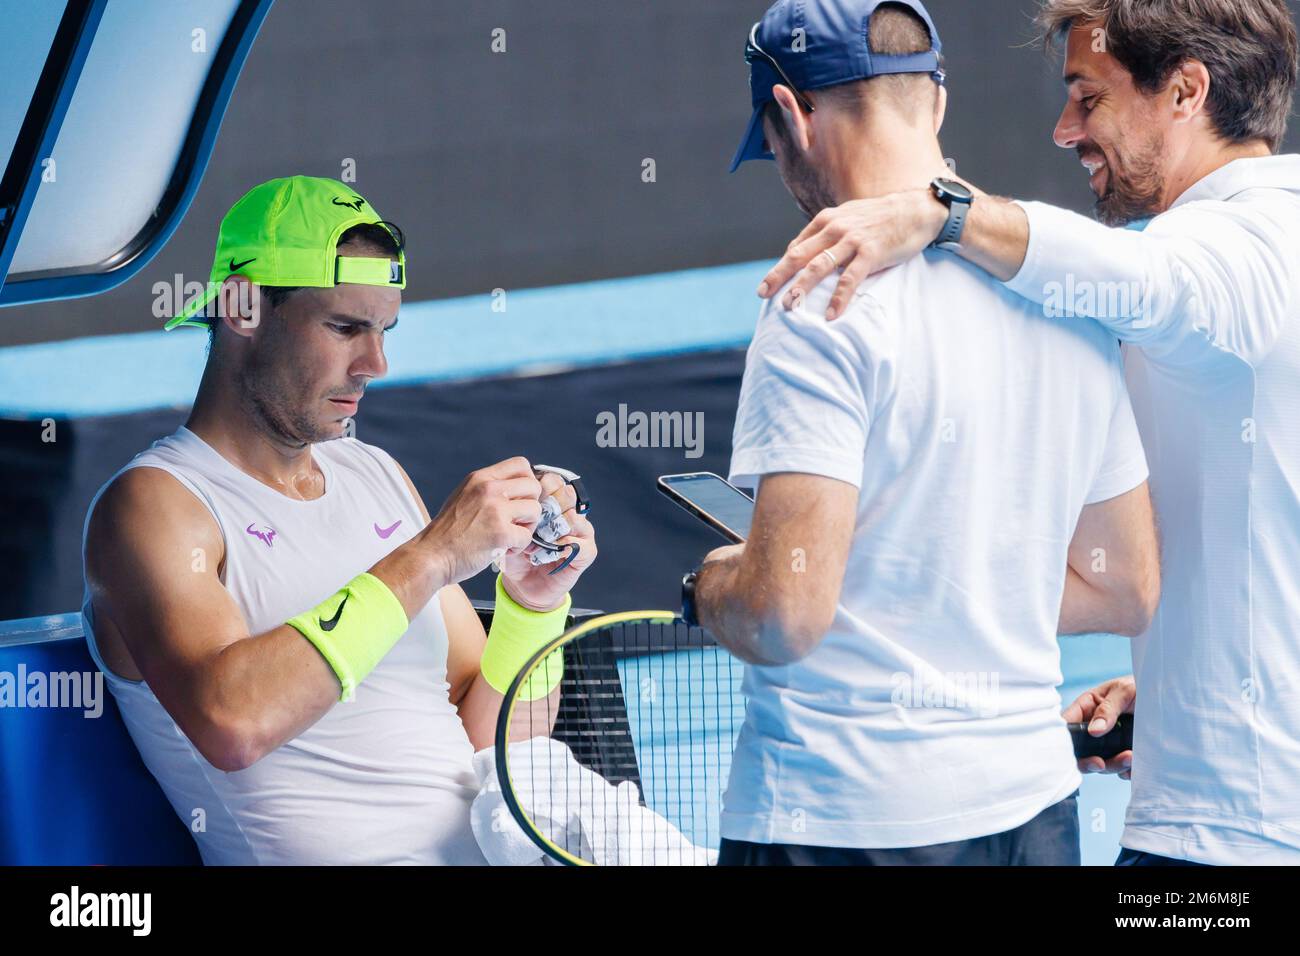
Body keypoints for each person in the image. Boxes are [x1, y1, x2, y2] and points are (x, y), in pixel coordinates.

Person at [759, 0, 1300, 865]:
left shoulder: (1235, 256)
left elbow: (1132, 277)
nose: (1062, 130)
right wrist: (1181, 693)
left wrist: (939, 210)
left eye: (1089, 98)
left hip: (1229, 850)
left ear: (1186, 92)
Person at [688, 0, 1159, 865]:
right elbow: (1124, 587)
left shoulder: (814, 302)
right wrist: (951, 578)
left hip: (838, 825)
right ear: (935, 103)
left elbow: (785, 616)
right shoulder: (1068, 294)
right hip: (1033, 815)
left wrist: (715, 581)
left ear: (789, 115)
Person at [81, 176, 597, 865]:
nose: (375, 364)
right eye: (345, 327)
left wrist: (531, 607)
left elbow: (494, 745)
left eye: (384, 330)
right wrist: (434, 554)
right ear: (240, 308)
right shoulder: (154, 506)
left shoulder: (375, 474)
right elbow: (233, 722)